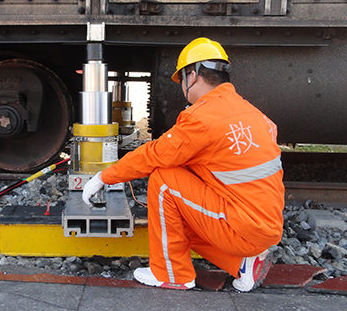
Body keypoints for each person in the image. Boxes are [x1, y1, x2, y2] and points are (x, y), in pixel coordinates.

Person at [82, 38, 284, 291]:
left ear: (193, 74)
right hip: (263, 226)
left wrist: (103, 177)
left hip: (241, 229)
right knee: (175, 219)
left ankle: (171, 273)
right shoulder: (253, 114)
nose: (183, 87)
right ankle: (242, 264)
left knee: (165, 180)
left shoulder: (203, 118)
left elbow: (155, 155)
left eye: (182, 79)